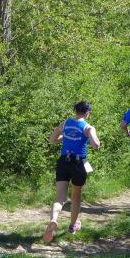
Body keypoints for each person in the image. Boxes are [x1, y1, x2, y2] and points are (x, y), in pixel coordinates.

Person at [42, 101, 101, 243]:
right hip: (78, 163)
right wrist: (92, 141)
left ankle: (53, 220)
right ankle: (73, 225)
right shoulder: (88, 127)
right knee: (75, 196)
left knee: (60, 197)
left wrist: (65, 137)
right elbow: (95, 145)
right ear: (87, 112)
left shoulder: (66, 123)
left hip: (63, 162)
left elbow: (52, 139)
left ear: (75, 111)